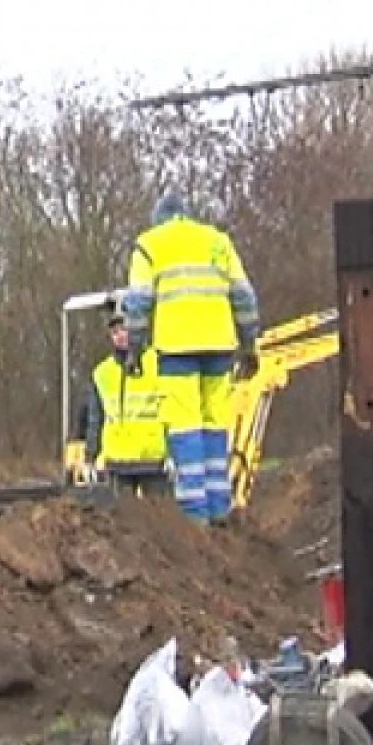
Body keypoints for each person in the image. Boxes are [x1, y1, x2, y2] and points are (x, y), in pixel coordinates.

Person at [120, 190, 260, 526]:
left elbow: (137, 304)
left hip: (176, 347)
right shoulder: (217, 241)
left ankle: (195, 519)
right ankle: (220, 508)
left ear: (158, 219)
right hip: (220, 346)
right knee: (214, 425)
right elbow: (244, 296)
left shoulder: (149, 245)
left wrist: (135, 348)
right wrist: (249, 344)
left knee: (184, 428)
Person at [80, 304, 170, 498]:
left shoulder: (158, 363)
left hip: (152, 460)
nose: (120, 335)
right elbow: (95, 419)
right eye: (115, 331)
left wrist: (175, 452)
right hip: (118, 462)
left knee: (160, 519)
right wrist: (89, 457)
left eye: (125, 329)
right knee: (122, 521)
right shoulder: (102, 373)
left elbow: (171, 408)